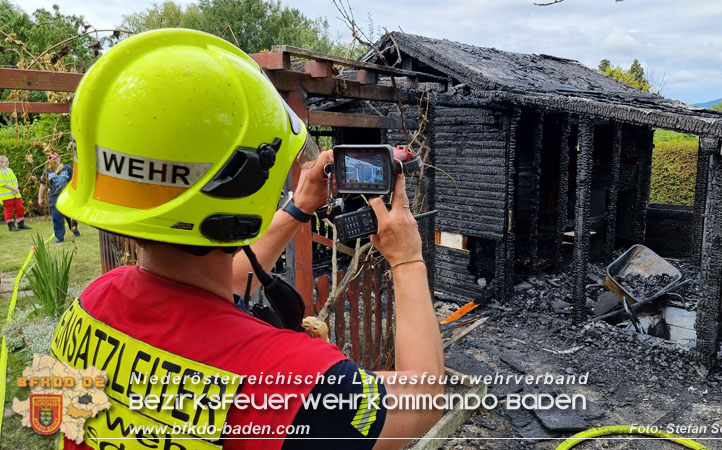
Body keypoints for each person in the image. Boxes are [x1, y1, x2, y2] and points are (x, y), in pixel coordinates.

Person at [51, 29, 443, 450]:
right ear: (245, 185)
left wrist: (298, 208)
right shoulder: (290, 379)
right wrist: (407, 258)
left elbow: (211, 288)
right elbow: (422, 401)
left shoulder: (93, 303)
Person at [37, 152, 79, 242]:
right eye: (50, 158)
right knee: (57, 217)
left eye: (54, 158)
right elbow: (43, 185)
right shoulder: (47, 171)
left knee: (70, 216)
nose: (53, 160)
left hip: (67, 197)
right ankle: (59, 237)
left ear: (59, 158)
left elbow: (74, 181)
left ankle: (75, 229)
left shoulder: (67, 168)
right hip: (54, 198)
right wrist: (40, 198)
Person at [0, 155, 32, 232]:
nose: (8, 163)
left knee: (20, 208)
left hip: (16, 193)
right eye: (6, 161)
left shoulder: (10, 170)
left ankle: (21, 224)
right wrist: (14, 189)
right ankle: (11, 226)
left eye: (8, 161)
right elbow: (4, 183)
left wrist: (16, 188)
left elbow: (15, 180)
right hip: (7, 195)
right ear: (0, 163)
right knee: (9, 210)